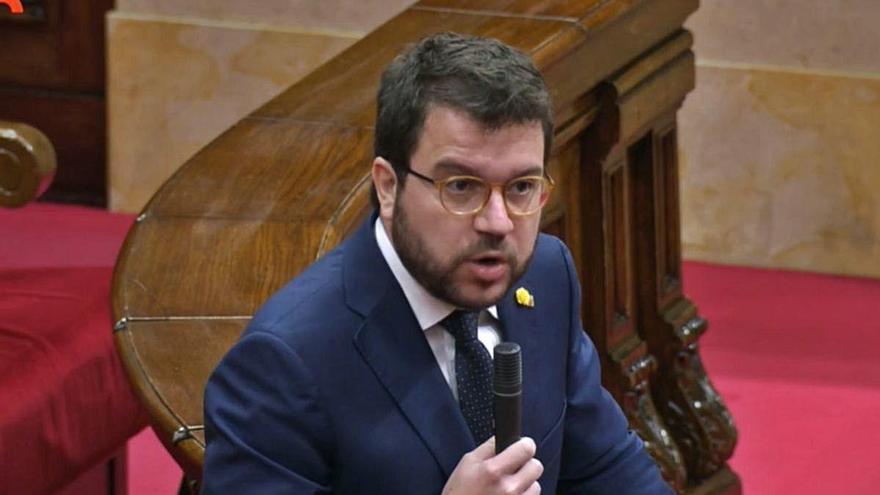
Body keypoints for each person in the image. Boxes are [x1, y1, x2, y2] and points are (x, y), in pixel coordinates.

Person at [202, 32, 673, 494]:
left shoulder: (546, 276)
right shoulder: (284, 362)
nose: (497, 222)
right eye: (462, 187)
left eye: (522, 187)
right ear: (388, 187)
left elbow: (608, 469)